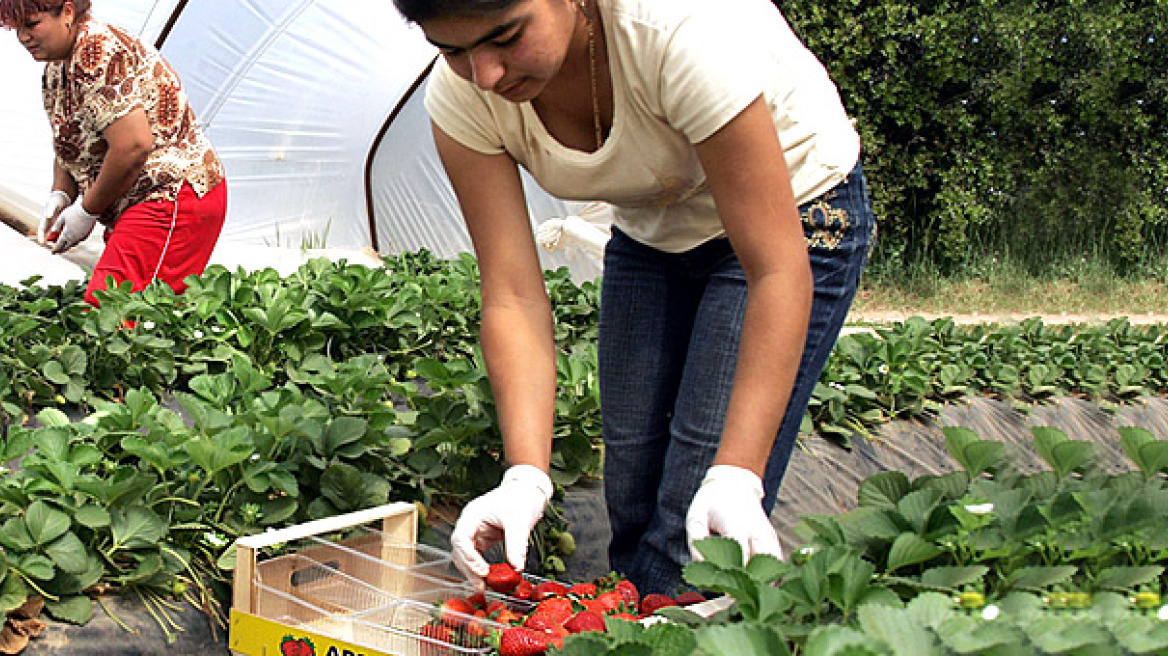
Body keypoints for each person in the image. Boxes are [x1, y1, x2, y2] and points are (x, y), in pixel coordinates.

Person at [393, 0, 875, 595]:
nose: (486, 73)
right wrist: (524, 476)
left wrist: (737, 475)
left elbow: (775, 268)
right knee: (632, 491)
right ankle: (638, 617)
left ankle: (681, 617)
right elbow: (514, 295)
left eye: (506, 37)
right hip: (653, 227)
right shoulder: (461, 96)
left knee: (689, 531)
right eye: (454, 49)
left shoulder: (678, 32)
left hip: (794, 209)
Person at [1, 0, 226, 307]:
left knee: (115, 307)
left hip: (172, 193)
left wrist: (87, 211)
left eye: (31, 24)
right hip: (138, 201)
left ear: (66, 12)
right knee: (121, 307)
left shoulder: (98, 52)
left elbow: (133, 146)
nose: (23, 37)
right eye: (17, 29)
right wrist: (61, 194)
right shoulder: (58, 66)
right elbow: (70, 136)